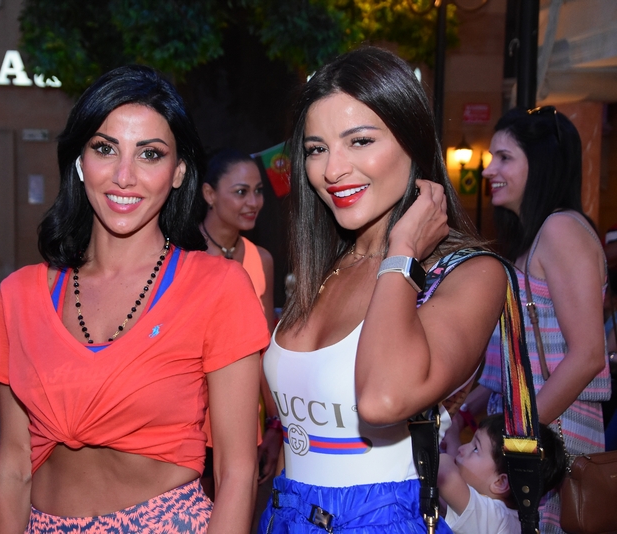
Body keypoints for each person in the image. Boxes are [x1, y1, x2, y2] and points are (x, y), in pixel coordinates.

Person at [0, 65, 269, 533]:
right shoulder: (19, 295)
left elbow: (236, 472)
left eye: (150, 154)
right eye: (105, 148)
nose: (124, 176)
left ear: (178, 172)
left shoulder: (218, 286)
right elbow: (12, 467)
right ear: (79, 161)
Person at [259, 46, 506, 533]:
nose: (332, 170)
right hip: (286, 515)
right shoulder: (324, 268)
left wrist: (403, 250)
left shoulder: (469, 273)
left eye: (359, 141)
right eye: (316, 149)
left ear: (413, 142)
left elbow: (384, 399)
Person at [462, 106, 611, 533]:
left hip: (553, 440)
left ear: (541, 163)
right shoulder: (536, 238)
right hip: (531, 435)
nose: (488, 169)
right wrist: (467, 412)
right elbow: (515, 363)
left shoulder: (562, 230)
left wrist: (515, 438)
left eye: (505, 157)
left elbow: (588, 355)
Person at [198, 148, 281, 491]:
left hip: (244, 420)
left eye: (258, 191)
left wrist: (275, 422)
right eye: (241, 192)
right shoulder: (182, 254)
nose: (253, 202)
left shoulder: (261, 259)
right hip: (189, 423)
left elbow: (266, 348)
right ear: (209, 194)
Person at [438, 414, 566, 534]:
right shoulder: (512, 520)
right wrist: (452, 438)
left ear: (500, 482)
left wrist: (442, 453)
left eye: (476, 449)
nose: (461, 449)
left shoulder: (495, 518)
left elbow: (446, 476)